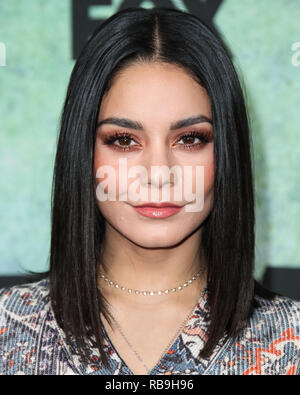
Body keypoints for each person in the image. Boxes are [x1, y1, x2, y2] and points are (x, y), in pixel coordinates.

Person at [0, 7, 299, 376]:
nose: (159, 174)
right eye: (124, 140)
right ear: (83, 151)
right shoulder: (9, 329)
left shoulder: (291, 341)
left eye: (190, 139)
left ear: (226, 154)